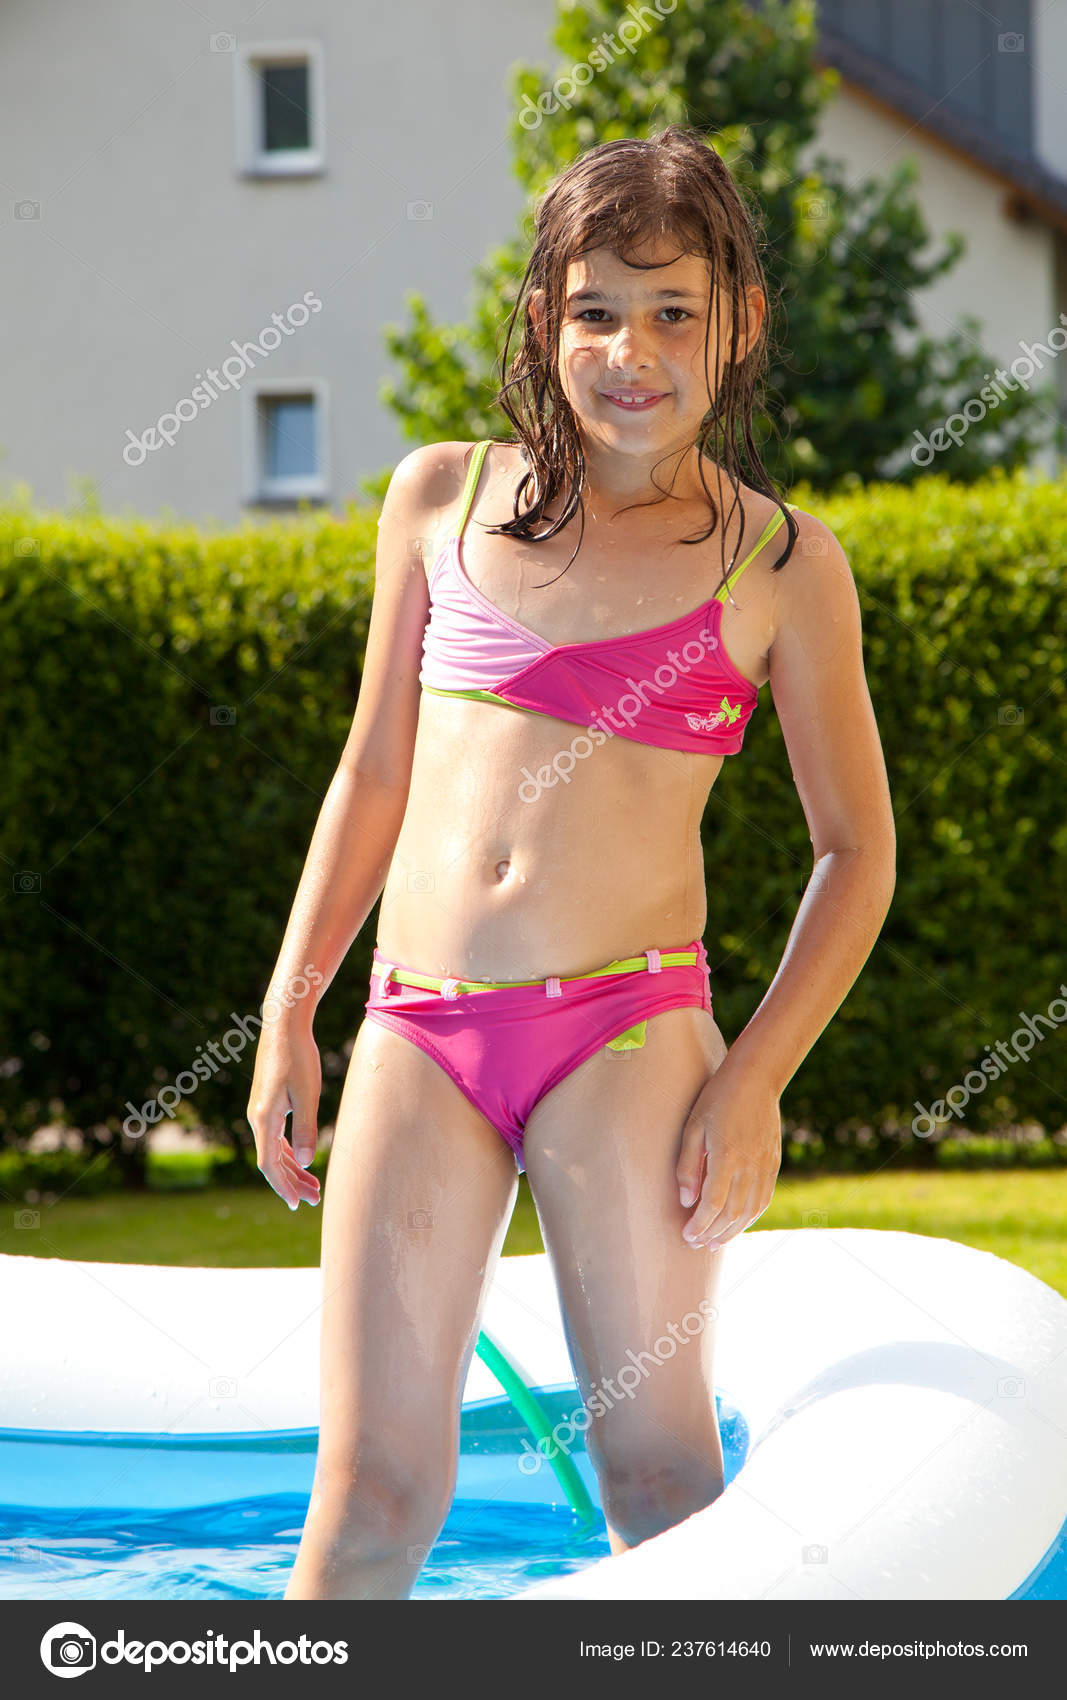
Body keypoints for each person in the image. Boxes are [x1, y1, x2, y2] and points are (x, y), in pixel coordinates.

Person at [247, 125, 896, 1601]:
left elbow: (855, 852)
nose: (633, 352)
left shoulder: (782, 568)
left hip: (629, 1030)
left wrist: (754, 1079)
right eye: (599, 309)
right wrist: (293, 1006)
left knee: (659, 1478)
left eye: (675, 315)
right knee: (366, 1494)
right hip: (421, 1025)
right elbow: (372, 773)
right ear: (547, 322)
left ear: (737, 329)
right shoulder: (436, 501)